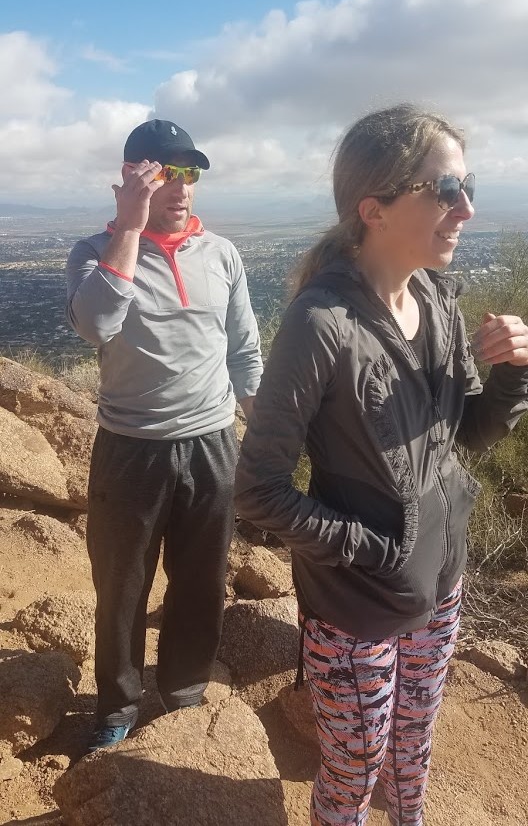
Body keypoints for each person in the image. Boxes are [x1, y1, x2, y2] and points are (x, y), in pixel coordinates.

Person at [234, 104, 528, 825]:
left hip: (442, 578)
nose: (466, 208)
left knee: (413, 747)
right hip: (356, 606)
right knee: (356, 763)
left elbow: (468, 433)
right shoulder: (321, 323)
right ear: (375, 209)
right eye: (446, 190)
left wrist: (516, 373)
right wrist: (372, 549)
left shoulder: (437, 296)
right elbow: (259, 491)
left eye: (468, 185)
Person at [66, 118, 262, 753]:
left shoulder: (223, 254)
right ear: (132, 177)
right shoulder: (93, 253)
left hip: (211, 442)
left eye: (189, 172)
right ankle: (117, 705)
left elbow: (244, 350)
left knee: (202, 580)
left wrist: (262, 431)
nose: (180, 186)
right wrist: (129, 224)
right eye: (163, 172)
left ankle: (183, 695)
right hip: (129, 447)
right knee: (121, 586)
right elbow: (97, 323)